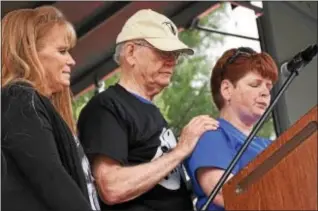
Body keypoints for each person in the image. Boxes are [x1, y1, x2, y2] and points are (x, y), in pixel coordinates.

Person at [77, 9, 219, 211]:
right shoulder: (107, 107)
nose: (172, 61)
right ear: (131, 52)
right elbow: (111, 187)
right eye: (163, 51)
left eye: (175, 54)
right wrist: (180, 151)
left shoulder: (151, 112)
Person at [1, 6, 100, 211]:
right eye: (62, 51)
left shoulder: (32, 103)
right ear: (30, 53)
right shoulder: (21, 99)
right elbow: (51, 178)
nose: (71, 61)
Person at [184, 47, 279, 210]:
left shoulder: (270, 145)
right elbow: (225, 194)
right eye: (255, 84)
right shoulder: (211, 134)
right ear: (227, 90)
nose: (265, 92)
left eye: (268, 87)